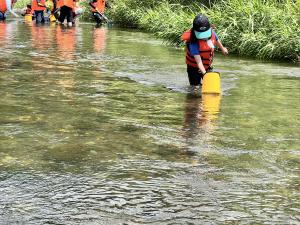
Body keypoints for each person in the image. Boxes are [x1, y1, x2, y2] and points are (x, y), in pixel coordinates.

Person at [181, 14, 228, 90]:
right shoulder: (193, 43)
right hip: (194, 68)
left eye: (205, 34)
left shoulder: (212, 32)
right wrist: (205, 74)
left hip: (207, 66)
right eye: (201, 35)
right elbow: (199, 62)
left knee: (210, 85)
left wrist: (223, 49)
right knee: (195, 88)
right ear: (195, 32)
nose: (204, 37)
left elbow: (216, 39)